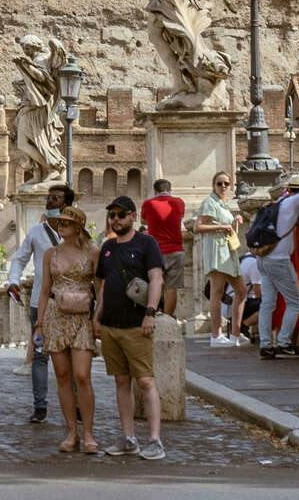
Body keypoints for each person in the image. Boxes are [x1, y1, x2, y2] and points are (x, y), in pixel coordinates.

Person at [96, 196, 167, 460]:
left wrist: (150, 313)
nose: (116, 219)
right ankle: (128, 438)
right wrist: (97, 316)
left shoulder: (146, 243)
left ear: (132, 216)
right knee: (121, 381)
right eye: (112, 215)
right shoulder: (107, 247)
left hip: (137, 324)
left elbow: (156, 278)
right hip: (111, 325)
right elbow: (103, 285)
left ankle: (155, 440)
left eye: (121, 215)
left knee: (146, 381)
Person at [5, 184, 72, 423]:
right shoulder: (35, 232)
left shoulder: (77, 233)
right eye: (49, 198)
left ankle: (74, 405)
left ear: (67, 204)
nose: (50, 203)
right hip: (39, 304)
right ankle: (40, 406)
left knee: (71, 356)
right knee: (40, 355)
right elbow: (19, 259)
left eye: (56, 199)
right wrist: (13, 280)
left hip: (71, 304)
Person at [38, 205, 100, 455]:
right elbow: (44, 290)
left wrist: (98, 317)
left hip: (82, 317)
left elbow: (101, 288)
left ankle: (88, 432)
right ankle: (71, 431)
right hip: (55, 315)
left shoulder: (93, 252)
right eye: (59, 223)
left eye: (66, 223)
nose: (61, 226)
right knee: (62, 376)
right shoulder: (50, 254)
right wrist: (39, 324)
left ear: (78, 227)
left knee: (82, 376)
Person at [260, 174, 299, 359]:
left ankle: (265, 345)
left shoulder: (276, 204)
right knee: (295, 302)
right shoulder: (293, 202)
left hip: (263, 258)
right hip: (279, 260)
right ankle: (284, 344)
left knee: (267, 304)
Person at [192, 173, 243, 345]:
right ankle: (216, 335)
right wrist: (222, 226)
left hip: (227, 251)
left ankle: (235, 334)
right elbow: (197, 227)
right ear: (213, 185)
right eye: (219, 183)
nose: (223, 186)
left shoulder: (222, 204)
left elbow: (226, 227)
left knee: (241, 291)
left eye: (226, 183)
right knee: (217, 292)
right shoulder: (209, 202)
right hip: (217, 251)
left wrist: (235, 220)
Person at [139, 179, 187, 320]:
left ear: (155, 191)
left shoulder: (148, 204)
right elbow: (181, 216)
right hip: (176, 249)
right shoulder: (179, 202)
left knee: (155, 281)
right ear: (170, 190)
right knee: (171, 286)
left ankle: (153, 314)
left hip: (155, 250)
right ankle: (168, 318)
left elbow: (143, 221)